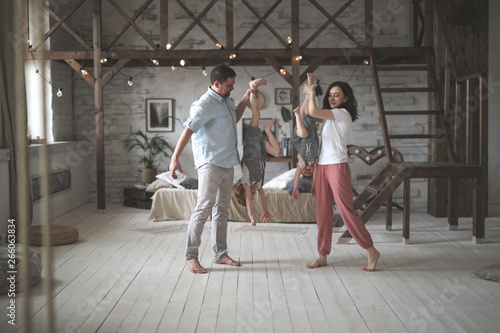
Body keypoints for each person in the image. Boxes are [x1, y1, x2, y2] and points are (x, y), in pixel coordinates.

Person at [169, 64, 251, 274]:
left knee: (221, 211)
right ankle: (190, 256)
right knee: (203, 209)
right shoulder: (204, 104)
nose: (232, 88)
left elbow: (235, 118)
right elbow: (188, 130)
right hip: (210, 163)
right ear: (216, 84)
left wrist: (247, 95)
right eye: (229, 85)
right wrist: (175, 158)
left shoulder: (226, 102)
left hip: (227, 162)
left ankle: (220, 254)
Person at [302, 78, 380, 272]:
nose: (332, 98)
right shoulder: (329, 118)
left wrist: (312, 92)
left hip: (337, 166)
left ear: (345, 98)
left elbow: (312, 111)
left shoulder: (342, 114)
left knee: (346, 211)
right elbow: (306, 113)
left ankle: (371, 250)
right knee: (323, 213)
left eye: (337, 95)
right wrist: (307, 93)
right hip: (322, 166)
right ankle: (322, 254)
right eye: (330, 95)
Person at [232, 79, 282, 226]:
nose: (253, 194)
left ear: (242, 188)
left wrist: (251, 215)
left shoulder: (246, 180)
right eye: (253, 195)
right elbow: (263, 197)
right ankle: (267, 130)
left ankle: (252, 87)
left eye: (250, 194)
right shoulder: (258, 184)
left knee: (256, 113)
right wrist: (265, 211)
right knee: (278, 152)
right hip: (260, 147)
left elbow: (247, 198)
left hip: (251, 144)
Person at [291, 73, 320, 199]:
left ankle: (297, 116)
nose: (307, 169)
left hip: (300, 138)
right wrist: (313, 187)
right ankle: (310, 83)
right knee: (306, 109)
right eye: (309, 171)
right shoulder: (316, 162)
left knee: (303, 131)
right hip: (312, 134)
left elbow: (297, 176)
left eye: (305, 171)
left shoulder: (301, 165)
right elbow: (316, 177)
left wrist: (295, 188)